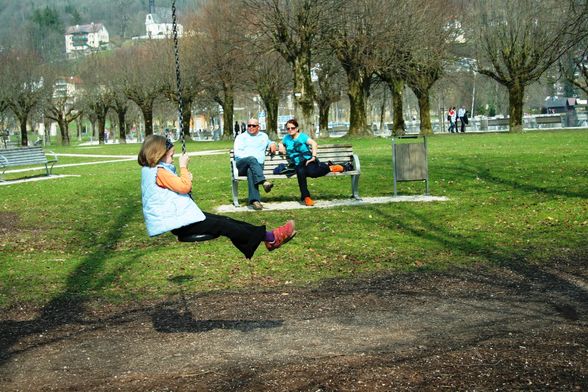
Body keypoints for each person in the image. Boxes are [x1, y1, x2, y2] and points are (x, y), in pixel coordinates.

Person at [138, 135, 295, 259]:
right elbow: (184, 187)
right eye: (171, 155)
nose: (173, 157)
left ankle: (268, 238)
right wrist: (184, 167)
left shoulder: (152, 171)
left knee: (225, 222)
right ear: (159, 154)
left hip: (180, 219)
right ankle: (271, 238)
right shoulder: (159, 172)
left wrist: (184, 177)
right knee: (225, 225)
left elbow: (175, 188)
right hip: (181, 222)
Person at [278, 118, 344, 207]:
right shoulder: (286, 138)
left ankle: (330, 168)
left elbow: (314, 143)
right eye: (288, 128)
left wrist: (313, 157)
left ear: (297, 128)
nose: (290, 130)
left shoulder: (302, 136)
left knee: (312, 172)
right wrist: (280, 145)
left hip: (308, 159)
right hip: (297, 163)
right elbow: (280, 142)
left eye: (292, 128)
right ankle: (306, 197)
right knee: (301, 173)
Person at [233, 118, 277, 210]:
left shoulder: (263, 136)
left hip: (255, 167)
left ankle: (255, 201)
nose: (251, 127)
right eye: (249, 125)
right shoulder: (241, 137)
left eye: (254, 125)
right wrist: (251, 158)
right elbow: (238, 154)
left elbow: (270, 142)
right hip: (241, 164)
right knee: (252, 159)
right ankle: (264, 182)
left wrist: (273, 144)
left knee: (251, 170)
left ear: (258, 127)